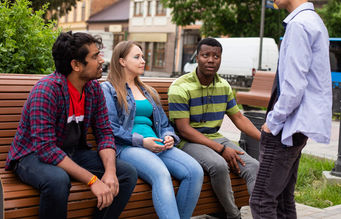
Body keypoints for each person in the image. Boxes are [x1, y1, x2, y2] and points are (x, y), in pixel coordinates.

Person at [5, 32, 138, 219]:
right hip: (31, 156)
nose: (101, 60)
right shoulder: (46, 91)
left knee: (126, 173)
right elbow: (46, 149)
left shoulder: (93, 89)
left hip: (72, 152)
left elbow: (105, 133)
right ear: (75, 65)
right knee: (58, 180)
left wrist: (110, 172)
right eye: (94, 56)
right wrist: (93, 180)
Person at [249, 0, 332, 219]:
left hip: (285, 127)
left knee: (261, 201)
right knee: (283, 202)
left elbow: (294, 87)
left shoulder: (298, 25)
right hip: (296, 127)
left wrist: (272, 123)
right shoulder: (313, 21)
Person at [101, 41, 204, 219]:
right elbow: (111, 128)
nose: (143, 61)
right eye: (137, 57)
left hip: (156, 144)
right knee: (161, 173)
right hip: (127, 147)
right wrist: (142, 142)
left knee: (195, 171)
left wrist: (168, 136)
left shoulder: (148, 91)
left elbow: (164, 125)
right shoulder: (108, 89)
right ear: (122, 61)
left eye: (142, 56)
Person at [168, 38, 261, 219]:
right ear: (197, 58)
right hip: (188, 142)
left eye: (216, 56)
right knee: (219, 165)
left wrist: (264, 138)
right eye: (206, 55)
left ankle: (261, 214)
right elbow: (184, 130)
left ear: (220, 59)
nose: (211, 60)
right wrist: (221, 149)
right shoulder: (180, 87)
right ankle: (233, 215)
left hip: (215, 137)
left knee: (253, 166)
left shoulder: (223, 86)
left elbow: (239, 118)